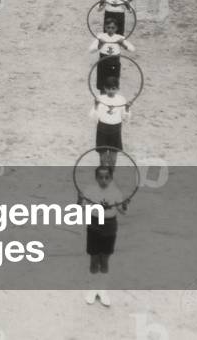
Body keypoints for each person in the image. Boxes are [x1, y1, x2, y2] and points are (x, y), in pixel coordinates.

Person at [79, 165, 128, 307]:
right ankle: (93, 289)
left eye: (107, 177)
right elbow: (81, 207)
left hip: (109, 227)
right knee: (94, 259)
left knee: (105, 259)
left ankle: (102, 289)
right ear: (96, 178)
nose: (104, 180)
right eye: (101, 177)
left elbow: (123, 211)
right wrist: (79, 199)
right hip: (94, 226)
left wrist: (124, 205)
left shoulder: (116, 192)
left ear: (111, 178)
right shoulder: (90, 190)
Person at [92, 76, 129, 151]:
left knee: (113, 156)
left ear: (118, 89)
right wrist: (96, 105)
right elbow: (94, 117)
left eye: (113, 89)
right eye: (108, 88)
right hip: (102, 128)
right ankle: (103, 162)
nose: (111, 91)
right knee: (102, 155)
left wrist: (127, 109)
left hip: (116, 129)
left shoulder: (121, 99)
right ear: (105, 88)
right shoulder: (100, 98)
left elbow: (125, 118)